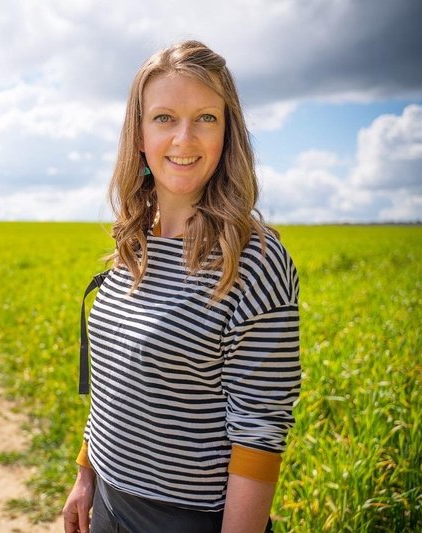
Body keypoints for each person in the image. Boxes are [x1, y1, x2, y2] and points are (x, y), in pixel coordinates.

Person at [62, 40, 301, 533]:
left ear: (228, 131)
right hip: (106, 502)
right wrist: (86, 474)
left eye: (206, 118)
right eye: (165, 118)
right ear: (140, 135)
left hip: (186, 520)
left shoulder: (254, 260)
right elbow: (112, 383)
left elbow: (259, 435)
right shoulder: (133, 240)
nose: (184, 139)